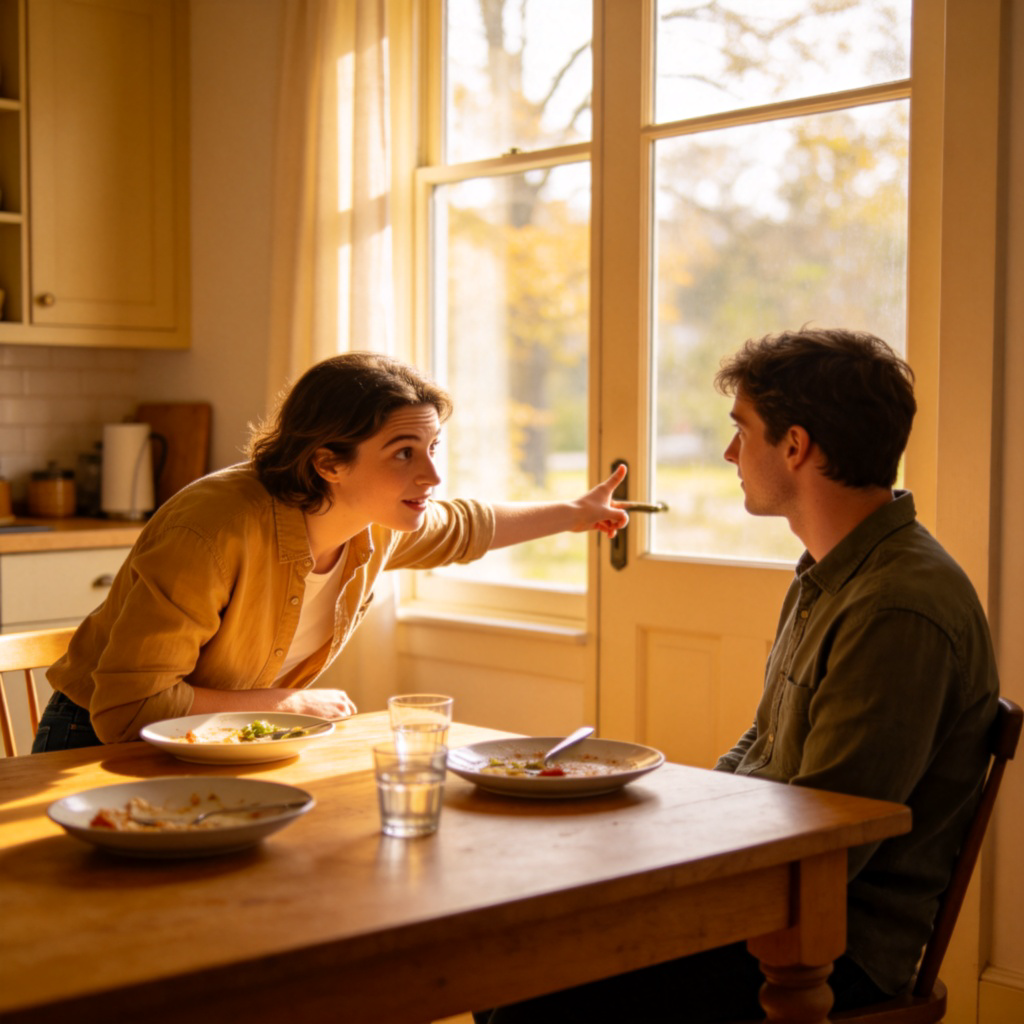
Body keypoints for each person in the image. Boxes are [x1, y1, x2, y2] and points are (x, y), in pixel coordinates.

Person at [475, 328, 1000, 1023]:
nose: (729, 453)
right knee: (518, 939)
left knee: (521, 983)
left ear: (795, 446)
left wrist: (666, 882)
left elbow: (826, 841)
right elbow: (757, 751)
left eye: (741, 430)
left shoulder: (898, 607)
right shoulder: (830, 571)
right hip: (765, 907)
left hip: (828, 949)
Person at [34, 352, 629, 751]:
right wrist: (292, 702)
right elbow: (130, 707)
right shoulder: (213, 530)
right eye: (403, 452)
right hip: (91, 747)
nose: (432, 475)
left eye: (433, 448)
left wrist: (576, 513)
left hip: (215, 743)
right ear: (327, 462)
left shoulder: (374, 524)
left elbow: (467, 526)